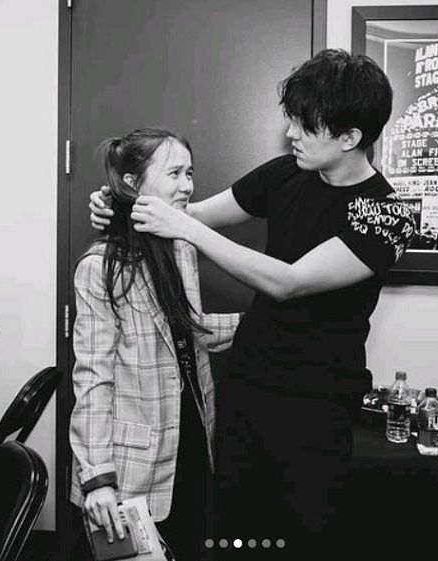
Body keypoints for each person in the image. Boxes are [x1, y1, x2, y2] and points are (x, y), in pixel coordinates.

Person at [91, 49, 416, 557]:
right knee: (238, 534)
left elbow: (288, 281)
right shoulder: (286, 172)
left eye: (306, 126)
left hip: (314, 407)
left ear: (350, 137)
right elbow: (193, 212)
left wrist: (183, 227)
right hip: (246, 390)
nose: (291, 134)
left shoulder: (388, 216)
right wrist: (121, 206)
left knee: (301, 538)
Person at [69, 128, 240, 561]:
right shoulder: (101, 266)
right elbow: (93, 378)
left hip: (191, 436)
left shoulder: (182, 246)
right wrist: (97, 477)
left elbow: (188, 331)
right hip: (132, 459)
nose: (187, 185)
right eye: (174, 173)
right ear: (133, 183)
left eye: (190, 173)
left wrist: (263, 324)